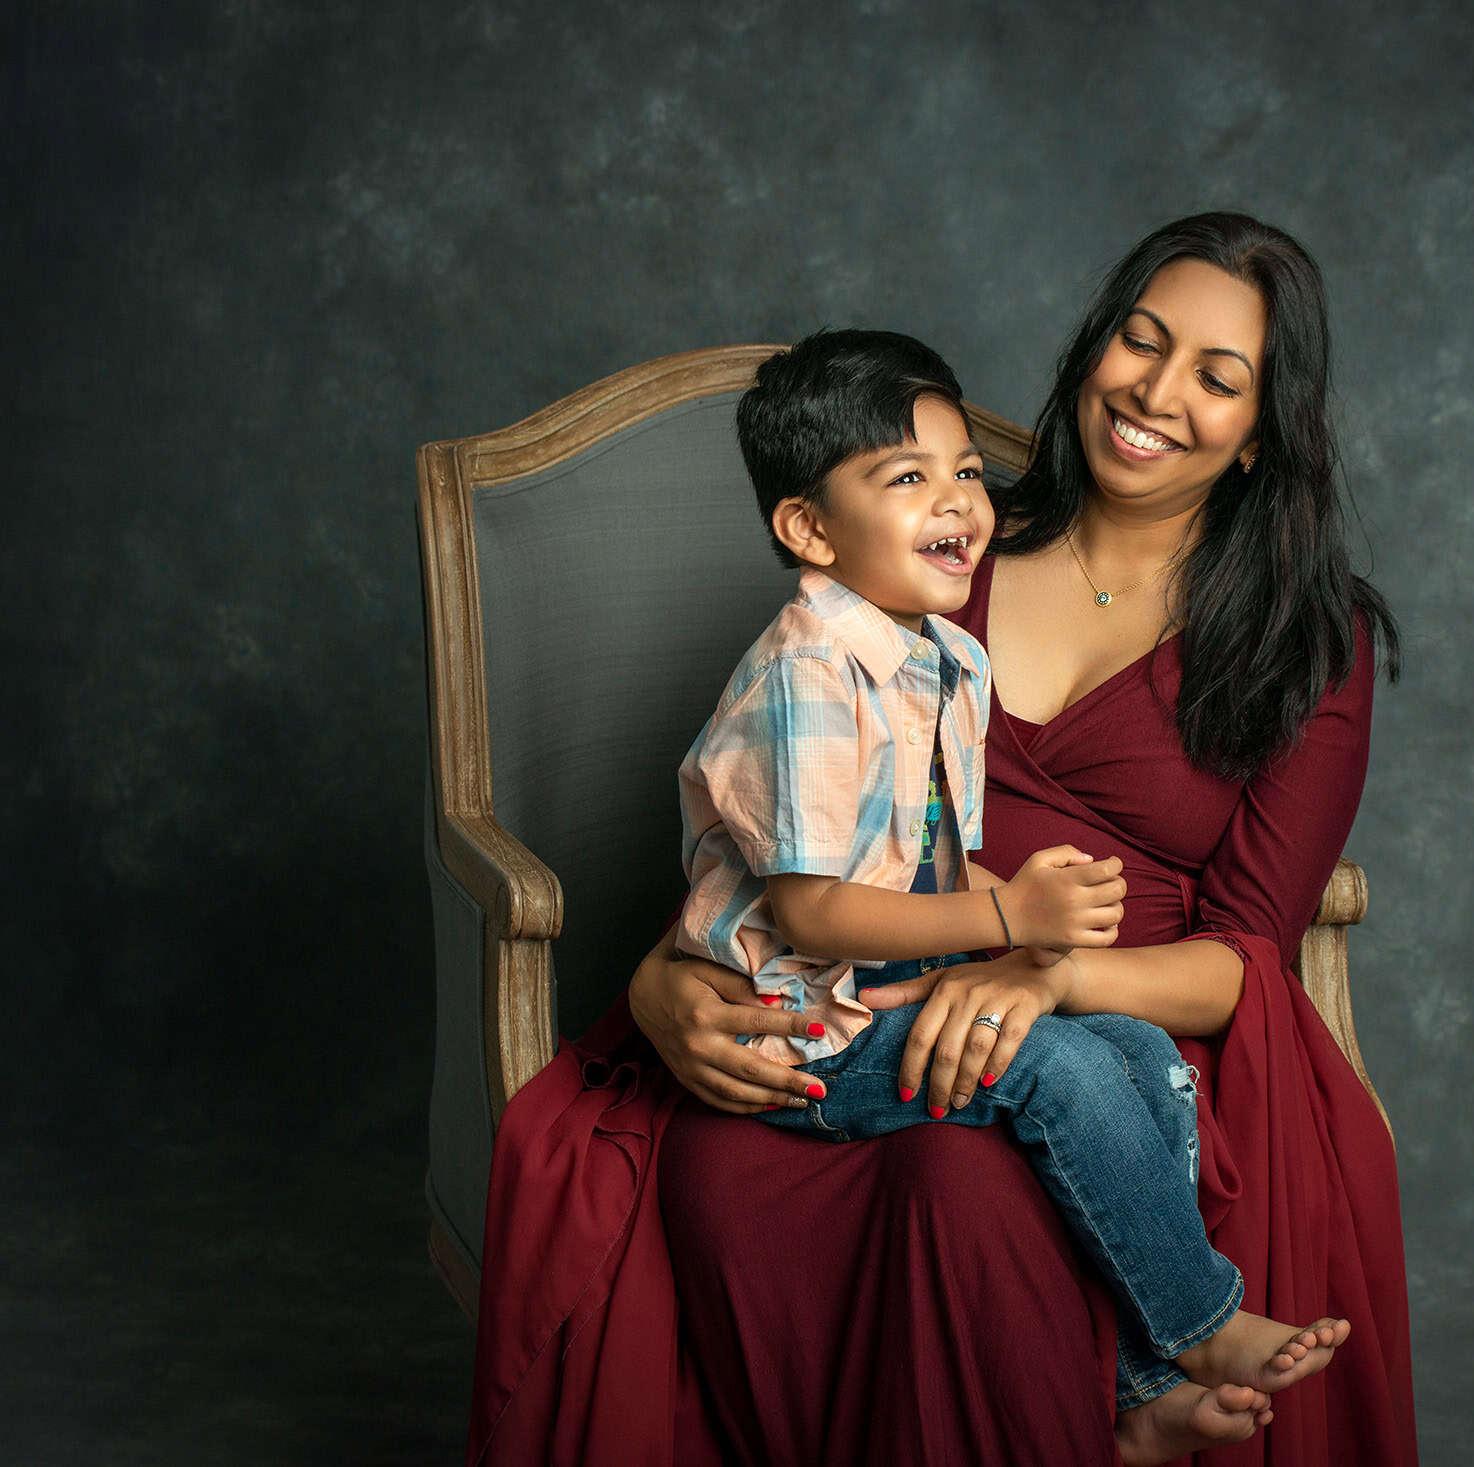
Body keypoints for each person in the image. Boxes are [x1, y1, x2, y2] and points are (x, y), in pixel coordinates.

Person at [467, 213, 1415, 1467]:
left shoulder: (1308, 640)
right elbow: (796, 830)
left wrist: (1045, 975)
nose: (1154, 390)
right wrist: (658, 989)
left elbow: (1251, 952)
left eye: (1215, 376)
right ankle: (1139, 1380)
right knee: (804, 1159)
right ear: (1092, 351)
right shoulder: (935, 549)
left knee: (971, 1186)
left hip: (1122, 1031)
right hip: (864, 1007)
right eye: (1139, 341)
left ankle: (1144, 1376)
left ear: (1259, 437)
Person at [676, 325, 1348, 1431]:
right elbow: (805, 906)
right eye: (906, 479)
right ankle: (1200, 1320)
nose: (956, 503)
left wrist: (1034, 933)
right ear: (807, 528)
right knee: (1048, 1068)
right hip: (807, 1022)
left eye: (964, 473)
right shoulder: (807, 674)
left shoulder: (944, 654)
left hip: (903, 975)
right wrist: (1002, 914)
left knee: (1134, 1057)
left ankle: (1135, 1387)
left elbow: (919, 846)